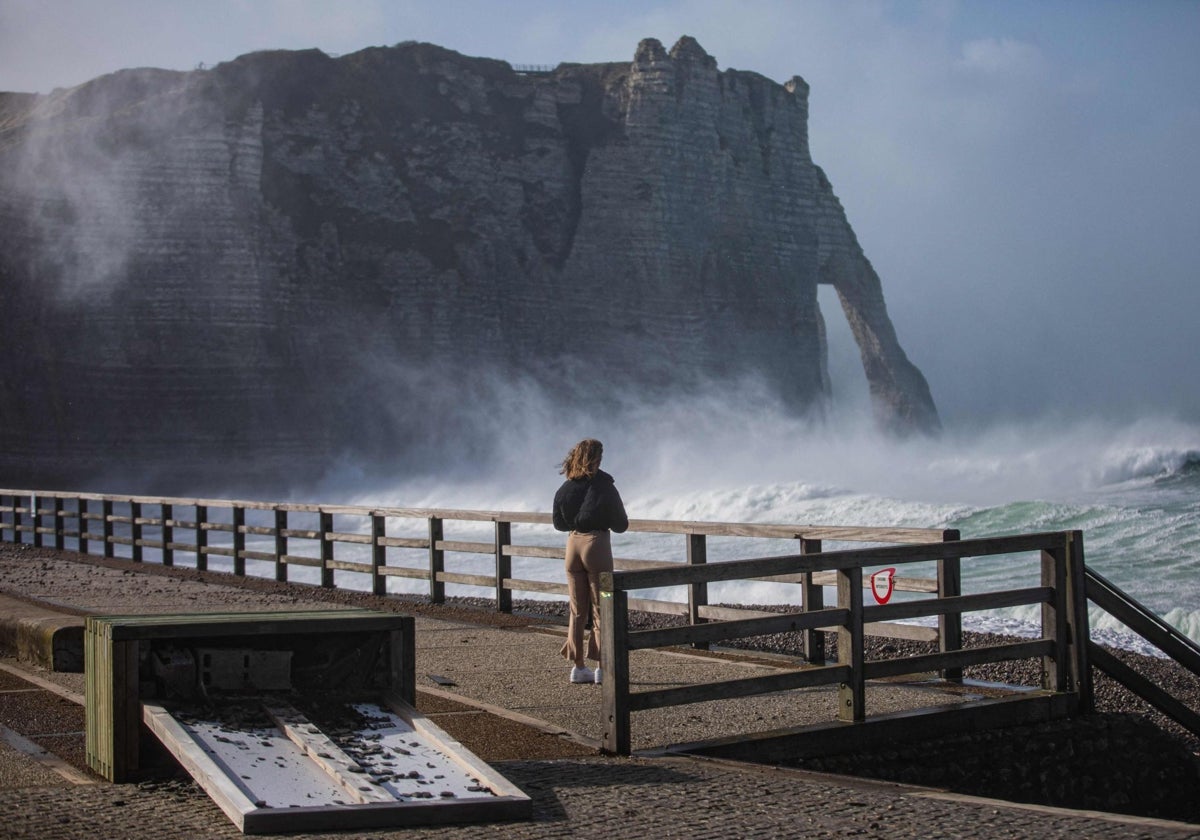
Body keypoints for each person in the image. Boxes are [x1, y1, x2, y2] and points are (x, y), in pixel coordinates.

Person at [552, 438, 629, 684]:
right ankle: (601, 667)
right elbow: (621, 525)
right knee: (602, 606)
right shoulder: (604, 486)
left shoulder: (565, 488)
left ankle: (578, 667)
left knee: (577, 609)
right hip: (596, 546)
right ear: (596, 459)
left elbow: (558, 524)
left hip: (572, 546)